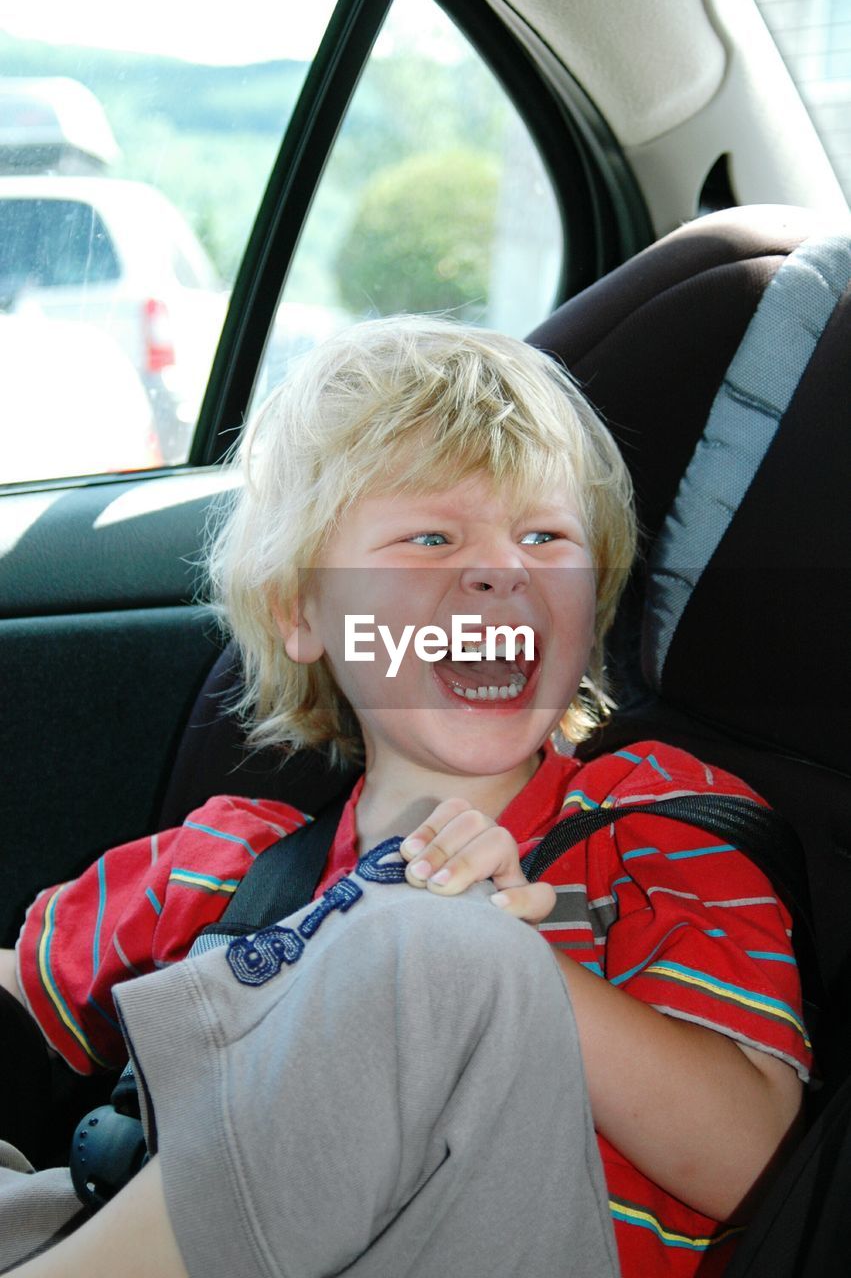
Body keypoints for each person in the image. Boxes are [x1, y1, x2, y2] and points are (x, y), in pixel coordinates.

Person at [0, 316, 809, 1277]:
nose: (497, 571)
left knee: (427, 943)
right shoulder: (225, 866)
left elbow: (755, 1161)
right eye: (430, 535)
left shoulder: (652, 826)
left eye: (544, 537)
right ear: (301, 611)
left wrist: (488, 960)